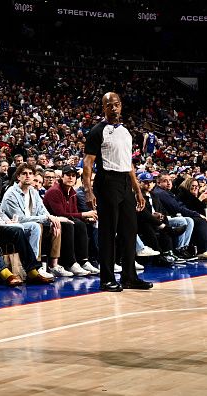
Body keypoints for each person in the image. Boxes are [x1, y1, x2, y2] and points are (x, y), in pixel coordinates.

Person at [82, 92, 153, 291]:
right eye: (109, 105)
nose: (113, 108)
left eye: (116, 105)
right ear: (103, 108)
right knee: (107, 232)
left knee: (129, 232)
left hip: (124, 183)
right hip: (107, 182)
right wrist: (88, 191)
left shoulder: (126, 132)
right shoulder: (97, 131)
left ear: (121, 106)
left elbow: (128, 163)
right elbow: (88, 163)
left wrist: (137, 189)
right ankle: (106, 279)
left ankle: (129, 277)